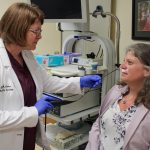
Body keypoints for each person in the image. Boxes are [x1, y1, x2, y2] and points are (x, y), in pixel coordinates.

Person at [0, 2, 101, 150]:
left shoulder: (26, 55)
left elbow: (48, 82)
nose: (40, 36)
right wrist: (33, 112)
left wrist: (80, 82)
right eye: (36, 31)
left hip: (26, 138)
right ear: (18, 29)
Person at [85, 43, 150, 150]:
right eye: (124, 61)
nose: (122, 66)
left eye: (129, 62)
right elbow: (98, 123)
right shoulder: (116, 90)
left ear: (147, 71)